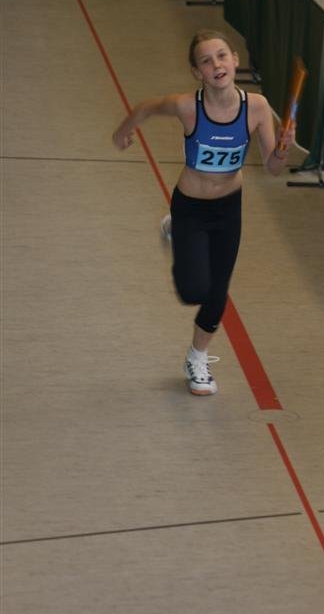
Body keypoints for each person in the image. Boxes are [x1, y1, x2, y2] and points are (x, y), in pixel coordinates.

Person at [112, 29, 296, 396]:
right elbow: (147, 107)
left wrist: (282, 150)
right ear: (197, 72)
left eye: (222, 56)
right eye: (206, 61)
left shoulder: (257, 107)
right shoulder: (187, 106)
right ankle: (176, 229)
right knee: (192, 289)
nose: (217, 65)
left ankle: (196, 357)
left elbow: (274, 168)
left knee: (217, 291)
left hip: (228, 209)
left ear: (235, 60)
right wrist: (124, 131)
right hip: (191, 207)